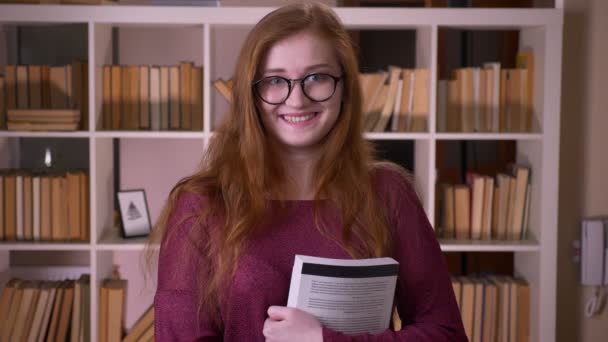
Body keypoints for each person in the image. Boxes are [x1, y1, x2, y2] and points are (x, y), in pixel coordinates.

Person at [151, 2, 467, 341]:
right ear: (251, 95)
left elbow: (446, 333)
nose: (297, 100)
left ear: (345, 88)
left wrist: (323, 340)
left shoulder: (389, 193)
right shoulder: (201, 204)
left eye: (316, 77)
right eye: (275, 80)